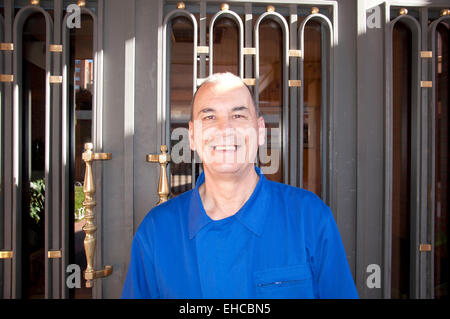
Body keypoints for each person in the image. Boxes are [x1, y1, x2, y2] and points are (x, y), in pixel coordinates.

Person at [121, 72, 358, 299]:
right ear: (191, 136)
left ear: (260, 130)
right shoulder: (156, 230)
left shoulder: (310, 217)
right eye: (210, 116)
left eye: (238, 115)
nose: (225, 129)